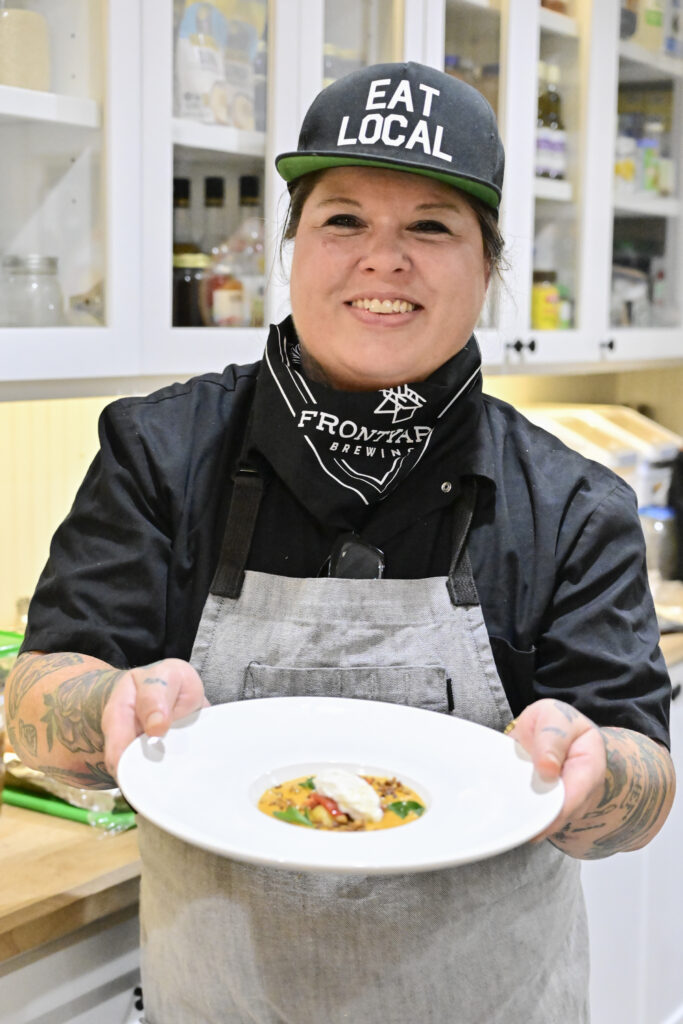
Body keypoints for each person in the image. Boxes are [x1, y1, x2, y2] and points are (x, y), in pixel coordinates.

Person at [6, 61, 675, 1024]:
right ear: (291, 247)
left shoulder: (571, 502)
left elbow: (643, 788)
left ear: (488, 265)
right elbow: (34, 703)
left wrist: (591, 768)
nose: (382, 258)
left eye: (431, 227)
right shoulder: (161, 451)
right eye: (343, 220)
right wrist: (109, 707)